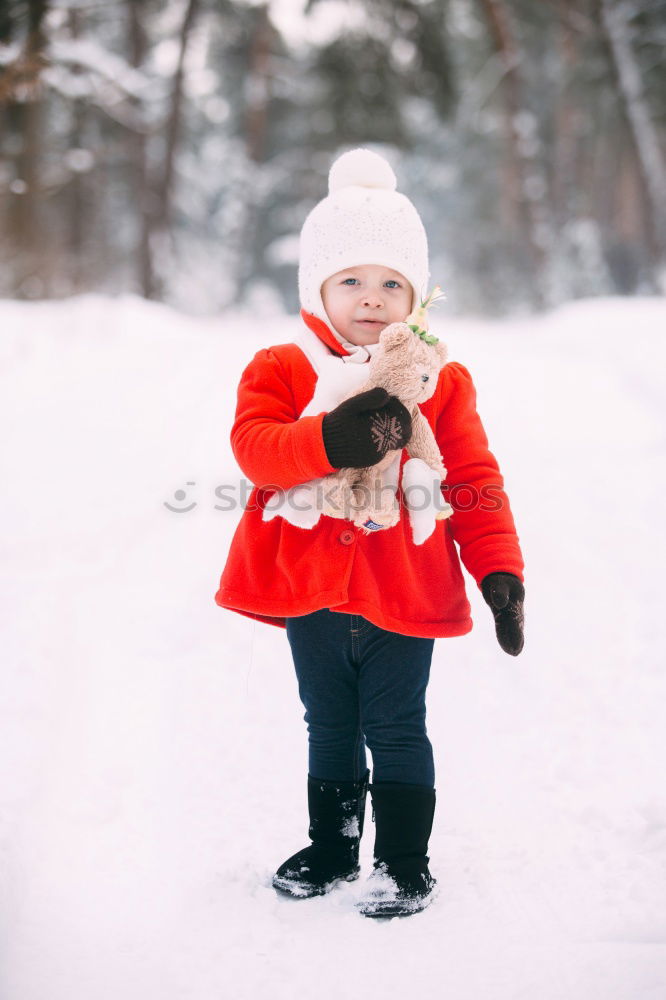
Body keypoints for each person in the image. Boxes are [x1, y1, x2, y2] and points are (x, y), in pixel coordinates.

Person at [214, 147, 525, 918]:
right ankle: (332, 844)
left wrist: (499, 572)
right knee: (329, 722)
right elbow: (254, 448)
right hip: (310, 592)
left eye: (393, 283)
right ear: (316, 285)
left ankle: (403, 862)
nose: (372, 298)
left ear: (417, 295)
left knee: (395, 725)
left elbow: (474, 481)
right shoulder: (281, 368)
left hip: (403, 589)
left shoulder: (439, 380)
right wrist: (329, 442)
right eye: (351, 279)